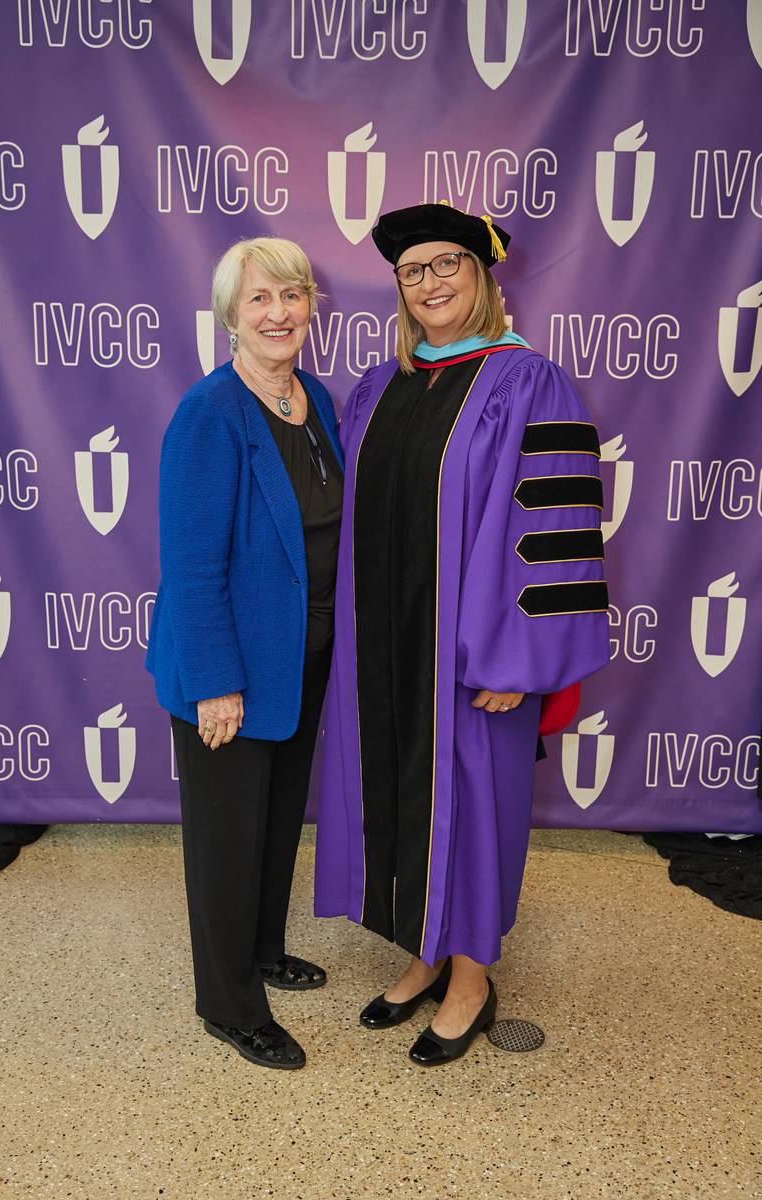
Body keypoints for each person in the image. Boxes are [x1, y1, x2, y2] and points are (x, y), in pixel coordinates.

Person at [315, 203, 610, 1066]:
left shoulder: (531, 384)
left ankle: (473, 980)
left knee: (475, 812)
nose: (433, 281)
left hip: (479, 657)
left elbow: (552, 530)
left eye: (449, 263)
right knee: (402, 803)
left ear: (483, 275)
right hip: (386, 651)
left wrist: (522, 659)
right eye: (415, 270)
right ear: (400, 290)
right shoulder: (383, 385)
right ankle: (424, 953)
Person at [146, 237, 343, 1071]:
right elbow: (191, 564)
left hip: (303, 660)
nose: (279, 313)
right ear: (231, 314)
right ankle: (227, 1003)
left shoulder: (317, 399)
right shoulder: (210, 412)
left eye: (292, 296)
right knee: (227, 840)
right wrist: (217, 684)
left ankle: (262, 949)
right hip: (230, 672)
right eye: (260, 299)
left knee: (272, 826)